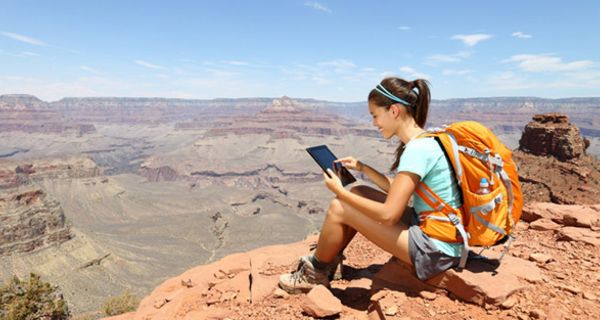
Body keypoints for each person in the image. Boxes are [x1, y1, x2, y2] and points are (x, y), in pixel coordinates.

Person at [279, 76, 464, 294]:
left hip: (434, 251)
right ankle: (330, 261)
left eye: (375, 115)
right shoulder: (426, 140)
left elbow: (388, 215)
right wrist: (363, 168)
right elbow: (398, 189)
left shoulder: (416, 151)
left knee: (340, 206)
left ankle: (314, 273)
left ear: (394, 111)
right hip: (440, 235)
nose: (374, 123)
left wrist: (339, 192)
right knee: (359, 191)